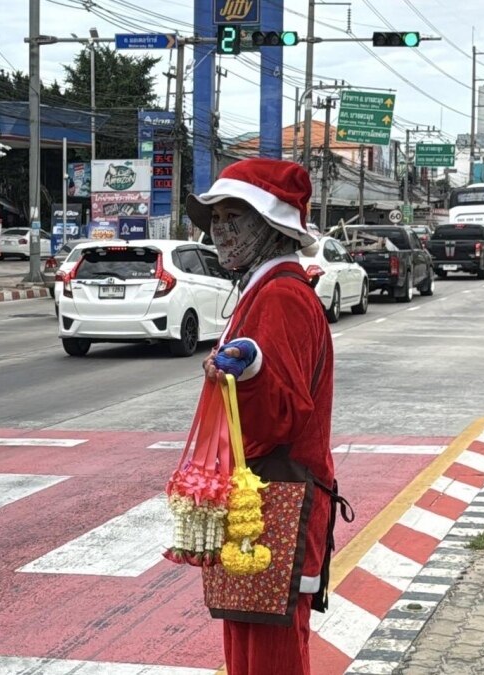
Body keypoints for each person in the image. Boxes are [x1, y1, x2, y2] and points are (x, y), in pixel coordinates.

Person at [186, 158, 338, 675]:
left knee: (269, 660)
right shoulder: (264, 290)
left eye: (235, 216)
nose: (220, 229)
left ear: (272, 227)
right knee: (249, 651)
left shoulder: (280, 297)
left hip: (276, 502)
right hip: (266, 503)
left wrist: (246, 377)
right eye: (216, 217)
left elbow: (279, 416)